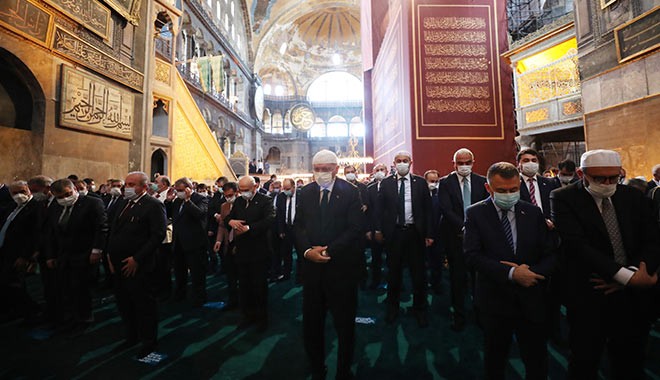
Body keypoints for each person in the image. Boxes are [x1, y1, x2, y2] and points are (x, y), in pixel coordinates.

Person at [551, 150, 659, 380]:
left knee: (630, 360)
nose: (608, 183)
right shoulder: (563, 197)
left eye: (614, 177)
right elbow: (576, 246)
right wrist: (625, 277)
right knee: (584, 360)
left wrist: (632, 274)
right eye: (600, 179)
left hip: (631, 297)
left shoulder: (633, 197)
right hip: (590, 292)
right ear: (582, 174)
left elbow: (651, 239)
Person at [464, 162, 556, 380]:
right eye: (502, 191)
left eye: (513, 190)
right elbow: (472, 255)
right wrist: (512, 274)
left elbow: (551, 254)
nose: (509, 195)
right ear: (489, 189)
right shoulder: (475, 213)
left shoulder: (533, 212)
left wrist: (531, 273)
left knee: (536, 358)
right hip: (494, 299)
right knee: (495, 359)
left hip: (531, 296)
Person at [294, 150, 364, 380]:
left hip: (341, 269)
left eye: (326, 169)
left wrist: (327, 251)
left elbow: (354, 229)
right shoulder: (305, 192)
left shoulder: (351, 192)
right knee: (312, 326)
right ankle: (317, 369)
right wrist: (306, 252)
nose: (321, 173)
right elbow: (298, 227)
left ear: (335, 169)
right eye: (317, 169)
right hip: (312, 271)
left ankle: (344, 370)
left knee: (345, 326)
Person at [106, 171, 166, 359]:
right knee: (124, 302)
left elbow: (157, 236)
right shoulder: (123, 202)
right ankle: (131, 335)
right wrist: (109, 255)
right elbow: (114, 231)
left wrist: (137, 259)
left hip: (139, 265)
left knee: (143, 304)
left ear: (144, 187)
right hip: (118, 263)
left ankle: (148, 341)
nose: (127, 187)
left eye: (132, 184)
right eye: (126, 184)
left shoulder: (153, 205)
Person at [374, 150, 434, 327]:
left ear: (410, 163)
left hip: (415, 233)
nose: (402, 163)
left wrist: (429, 234)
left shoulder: (421, 183)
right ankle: (393, 307)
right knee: (394, 273)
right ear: (394, 163)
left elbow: (428, 210)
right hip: (394, 234)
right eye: (399, 160)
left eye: (405, 160)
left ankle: (420, 309)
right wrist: (378, 229)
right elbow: (379, 209)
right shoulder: (385, 184)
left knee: (419, 274)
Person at [44, 179, 106, 332]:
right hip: (63, 254)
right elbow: (51, 232)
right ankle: (68, 317)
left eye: (68, 194)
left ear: (74, 190)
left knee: (80, 288)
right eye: (60, 196)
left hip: (84, 253)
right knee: (64, 287)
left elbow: (101, 228)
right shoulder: (55, 205)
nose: (65, 198)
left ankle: (83, 319)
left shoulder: (92, 203)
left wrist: (97, 250)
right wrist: (50, 255)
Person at [438, 148, 488, 330]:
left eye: (468, 162)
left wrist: (474, 229)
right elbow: (446, 209)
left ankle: (480, 313)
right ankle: (458, 315)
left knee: (479, 279)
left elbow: (486, 207)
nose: (464, 166)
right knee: (457, 279)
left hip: (478, 239)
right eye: (461, 163)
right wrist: (464, 227)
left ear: (473, 163)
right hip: (454, 236)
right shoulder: (445, 182)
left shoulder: (482, 181)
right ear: (454, 164)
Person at [226, 176, 275, 330]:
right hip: (242, 250)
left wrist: (250, 228)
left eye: (246, 190)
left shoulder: (265, 200)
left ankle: (261, 320)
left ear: (255, 187)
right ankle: (247, 316)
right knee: (244, 286)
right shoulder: (239, 201)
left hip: (259, 250)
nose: (243, 193)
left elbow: (270, 219)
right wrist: (230, 221)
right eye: (240, 190)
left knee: (259, 287)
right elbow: (229, 216)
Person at [0, 181, 44, 324]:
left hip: (19, 253)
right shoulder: (12, 206)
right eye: (15, 193)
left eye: (22, 191)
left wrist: (26, 256)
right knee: (7, 283)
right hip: (5, 251)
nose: (19, 195)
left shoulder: (36, 208)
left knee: (16, 284)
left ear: (28, 190)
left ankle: (30, 312)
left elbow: (36, 234)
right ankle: (13, 310)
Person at [166, 177, 209, 306]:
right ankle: (180, 295)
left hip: (194, 242)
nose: (178, 192)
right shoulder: (177, 201)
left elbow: (200, 214)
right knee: (179, 272)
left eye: (181, 190)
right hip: (178, 242)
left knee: (197, 273)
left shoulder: (201, 199)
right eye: (177, 190)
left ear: (189, 188)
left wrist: (188, 200)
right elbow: (170, 215)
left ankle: (199, 297)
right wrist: (168, 202)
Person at [213, 182, 239, 309]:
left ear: (237, 192)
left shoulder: (242, 205)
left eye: (231, 195)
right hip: (228, 244)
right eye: (226, 195)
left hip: (241, 244)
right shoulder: (224, 206)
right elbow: (222, 225)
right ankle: (232, 300)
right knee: (230, 275)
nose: (229, 198)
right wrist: (218, 241)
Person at [344, 165, 369, 288]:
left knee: (360, 254)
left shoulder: (363, 187)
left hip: (360, 226)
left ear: (355, 173)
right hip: (345, 227)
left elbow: (367, 204)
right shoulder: (340, 187)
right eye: (347, 172)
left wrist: (365, 206)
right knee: (347, 255)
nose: (349, 174)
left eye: (351, 172)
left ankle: (362, 279)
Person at [517, 148, 559, 221]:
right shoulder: (515, 184)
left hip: (547, 226)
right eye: (526, 160)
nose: (531, 163)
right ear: (518, 164)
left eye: (534, 160)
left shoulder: (550, 183)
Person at [365, 164, 388, 289]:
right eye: (377, 170)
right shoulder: (370, 188)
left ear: (387, 171)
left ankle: (396, 283)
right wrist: (369, 229)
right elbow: (368, 212)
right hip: (374, 227)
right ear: (373, 173)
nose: (380, 172)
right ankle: (375, 280)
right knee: (376, 258)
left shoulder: (394, 185)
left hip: (391, 227)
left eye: (382, 170)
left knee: (394, 258)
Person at [424, 169, 444, 295]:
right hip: (423, 234)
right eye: (431, 181)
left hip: (439, 234)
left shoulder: (441, 194)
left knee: (437, 262)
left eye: (436, 181)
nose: (434, 183)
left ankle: (436, 284)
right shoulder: (420, 194)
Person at [275, 178, 298, 282]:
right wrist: (280, 230)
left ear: (294, 187)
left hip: (299, 229)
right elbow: (279, 215)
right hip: (286, 229)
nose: (286, 190)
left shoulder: (301, 196)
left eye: (288, 188)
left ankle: (301, 276)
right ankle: (286, 274)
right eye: (284, 188)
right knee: (286, 253)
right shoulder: (281, 197)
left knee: (301, 253)